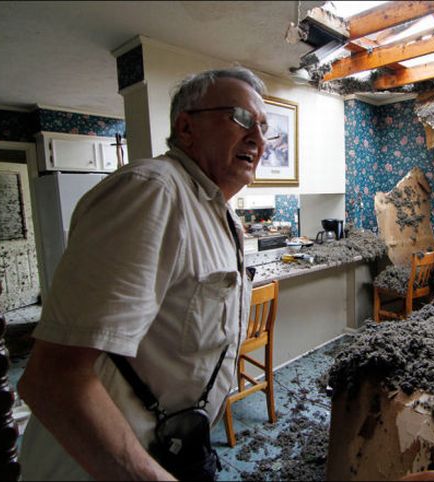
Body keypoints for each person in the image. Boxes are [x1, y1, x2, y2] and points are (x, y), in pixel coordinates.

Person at [17, 67, 269, 480]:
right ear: (186, 128)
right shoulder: (151, 192)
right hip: (99, 465)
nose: (258, 138)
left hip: (171, 448)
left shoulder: (221, 214)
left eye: (263, 127)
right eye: (241, 118)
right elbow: (54, 379)